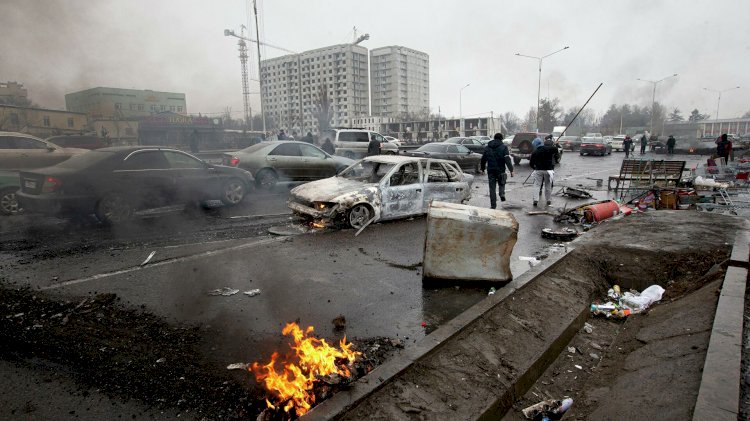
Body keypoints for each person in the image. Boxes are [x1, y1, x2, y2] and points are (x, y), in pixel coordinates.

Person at [480, 133, 514, 209]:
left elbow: (483, 159)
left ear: (494, 138)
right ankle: (501, 194)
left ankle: (493, 205)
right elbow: (507, 159)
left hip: (491, 170)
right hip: (500, 169)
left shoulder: (488, 147)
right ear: (501, 139)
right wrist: (511, 170)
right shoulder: (504, 147)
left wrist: (482, 169)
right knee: (502, 181)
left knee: (492, 188)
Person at [529, 137, 560, 207]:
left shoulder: (535, 151)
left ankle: (535, 200)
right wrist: (555, 145)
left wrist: (535, 168)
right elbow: (556, 152)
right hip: (548, 170)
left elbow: (531, 163)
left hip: (538, 170)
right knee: (548, 185)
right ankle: (548, 199)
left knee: (537, 185)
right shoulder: (550, 149)